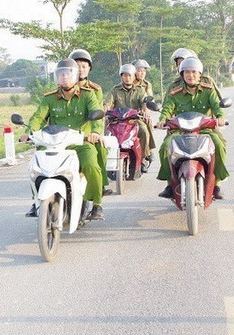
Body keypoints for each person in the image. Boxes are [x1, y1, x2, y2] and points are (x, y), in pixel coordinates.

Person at [21, 58, 106, 220]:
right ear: (56, 77)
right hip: (53, 145)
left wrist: (95, 132)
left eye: (68, 74)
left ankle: (96, 204)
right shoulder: (49, 98)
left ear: (75, 76)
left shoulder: (88, 95)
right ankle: (37, 200)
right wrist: (29, 132)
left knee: (91, 164)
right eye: (61, 74)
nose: (64, 77)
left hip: (80, 143)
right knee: (35, 166)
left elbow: (97, 113)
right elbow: (38, 117)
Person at [155, 57, 230, 200]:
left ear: (200, 73)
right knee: (165, 147)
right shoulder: (175, 94)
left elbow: (217, 107)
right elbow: (167, 110)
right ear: (182, 74)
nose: (191, 76)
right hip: (180, 131)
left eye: (194, 72)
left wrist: (220, 117)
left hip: (204, 130)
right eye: (187, 72)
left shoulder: (209, 91)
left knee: (219, 145)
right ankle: (170, 184)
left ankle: (216, 184)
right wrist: (162, 120)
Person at [69, 48, 111, 195]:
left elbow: (97, 112)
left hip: (88, 132)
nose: (80, 70)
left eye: (84, 66)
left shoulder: (95, 90)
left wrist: (97, 132)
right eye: (77, 66)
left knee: (101, 149)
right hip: (64, 135)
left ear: (89, 69)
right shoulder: (62, 86)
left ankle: (100, 185)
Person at [103, 64, 152, 172]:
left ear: (134, 76)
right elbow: (108, 103)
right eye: (125, 75)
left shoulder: (140, 90)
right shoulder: (114, 90)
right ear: (121, 77)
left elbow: (144, 103)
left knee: (143, 131)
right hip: (117, 121)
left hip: (134, 120)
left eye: (130, 75)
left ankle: (143, 159)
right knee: (106, 133)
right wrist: (105, 110)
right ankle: (107, 159)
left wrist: (144, 111)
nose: (127, 78)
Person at [132, 59, 157, 169]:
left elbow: (149, 100)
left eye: (144, 71)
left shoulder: (147, 85)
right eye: (139, 70)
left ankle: (147, 152)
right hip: (126, 114)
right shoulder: (128, 82)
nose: (142, 73)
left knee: (147, 125)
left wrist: (146, 113)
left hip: (141, 113)